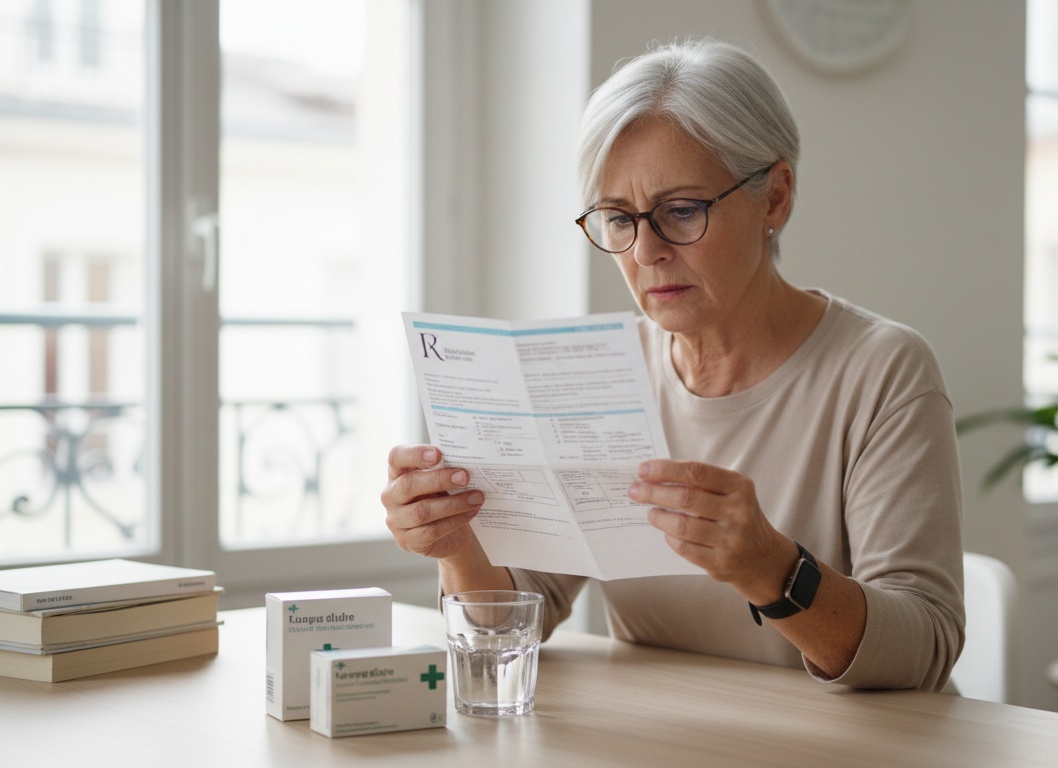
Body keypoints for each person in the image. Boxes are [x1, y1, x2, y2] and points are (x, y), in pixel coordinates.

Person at [381, 38, 964, 691]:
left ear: (774, 198)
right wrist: (457, 543)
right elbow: (514, 622)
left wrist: (777, 571)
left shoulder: (883, 370)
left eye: (681, 211)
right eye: (617, 219)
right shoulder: (598, 374)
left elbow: (925, 648)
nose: (647, 251)